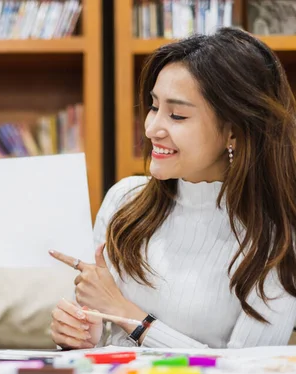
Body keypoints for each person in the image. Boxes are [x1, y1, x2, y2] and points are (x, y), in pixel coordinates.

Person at [49, 27, 296, 349]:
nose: (152, 129)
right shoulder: (124, 201)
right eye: (153, 107)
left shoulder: (278, 236)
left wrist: (131, 318)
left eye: (177, 115)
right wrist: (81, 337)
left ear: (234, 131)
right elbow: (104, 339)